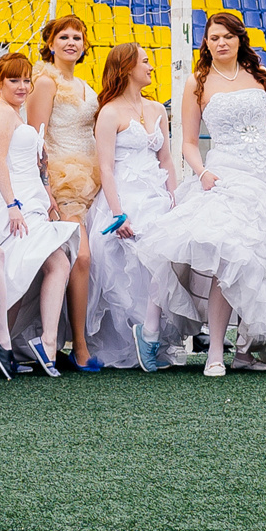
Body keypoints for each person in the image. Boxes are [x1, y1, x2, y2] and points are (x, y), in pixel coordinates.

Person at [128, 9, 266, 376]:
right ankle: (215, 352)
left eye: (227, 36)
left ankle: (245, 349)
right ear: (206, 43)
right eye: (213, 38)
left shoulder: (260, 75)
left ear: (240, 40)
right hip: (226, 174)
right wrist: (203, 172)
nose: (220, 43)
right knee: (229, 255)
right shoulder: (197, 81)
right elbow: (188, 142)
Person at [89, 41, 187, 371]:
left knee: (162, 262)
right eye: (145, 61)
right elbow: (106, 168)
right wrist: (118, 213)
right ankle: (134, 338)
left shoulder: (158, 109)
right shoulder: (109, 112)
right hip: (124, 195)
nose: (151, 66)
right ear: (127, 67)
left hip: (157, 194)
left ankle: (152, 333)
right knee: (128, 269)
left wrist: (174, 198)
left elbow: (167, 159)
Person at [0, 53, 79, 375]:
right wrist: (12, 206)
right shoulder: (3, 114)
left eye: (26, 80)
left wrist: (48, 196)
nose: (23, 86)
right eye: (14, 80)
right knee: (52, 264)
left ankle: (7, 344)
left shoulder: (14, 115)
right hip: (17, 205)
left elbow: (33, 167)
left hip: (33, 201)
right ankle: (41, 343)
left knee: (24, 273)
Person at [30, 14, 103, 370]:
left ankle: (69, 340)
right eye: (64, 37)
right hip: (61, 179)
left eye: (78, 37)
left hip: (91, 179)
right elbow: (34, 139)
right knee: (82, 257)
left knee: (83, 259)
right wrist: (45, 190)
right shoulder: (45, 82)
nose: (71, 42)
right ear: (51, 43)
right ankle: (79, 345)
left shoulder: (87, 85)